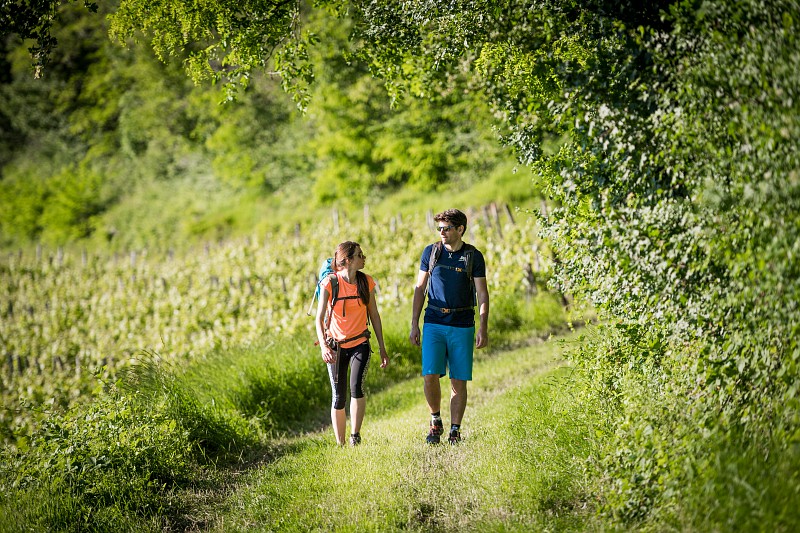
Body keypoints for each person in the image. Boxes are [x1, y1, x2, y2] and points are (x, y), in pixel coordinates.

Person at [410, 208, 489, 444]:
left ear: (460, 229)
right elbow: (420, 289)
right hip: (433, 321)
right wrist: (414, 324)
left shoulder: (473, 256)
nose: (442, 232)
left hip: (462, 324)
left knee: (458, 380)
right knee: (429, 375)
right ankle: (435, 420)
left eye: (447, 228)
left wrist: (483, 326)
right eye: (439, 228)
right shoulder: (431, 252)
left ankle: (455, 430)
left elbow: (482, 293)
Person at [316, 241, 389, 447]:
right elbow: (318, 318)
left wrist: (382, 348)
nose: (363, 258)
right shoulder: (330, 283)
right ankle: (340, 444)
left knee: (357, 388)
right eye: (359, 255)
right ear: (348, 260)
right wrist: (324, 347)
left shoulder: (367, 282)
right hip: (336, 346)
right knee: (338, 396)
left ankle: (355, 436)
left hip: (360, 343)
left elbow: (374, 315)